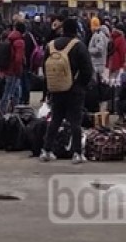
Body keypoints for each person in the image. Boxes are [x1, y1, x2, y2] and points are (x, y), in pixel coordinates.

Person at [40, 18, 94, 163]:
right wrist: (81, 85)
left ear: (62, 29)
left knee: (55, 119)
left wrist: (50, 85)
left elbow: (44, 68)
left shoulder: (51, 45)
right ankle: (77, 153)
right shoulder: (78, 46)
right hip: (74, 89)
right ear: (76, 30)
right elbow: (87, 70)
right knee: (75, 121)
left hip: (56, 88)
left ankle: (46, 150)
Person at [0, 22, 25, 115]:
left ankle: (16, 108)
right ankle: (2, 109)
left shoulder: (9, 38)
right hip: (14, 70)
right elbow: (18, 59)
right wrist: (18, 70)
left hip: (8, 68)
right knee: (9, 91)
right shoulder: (19, 42)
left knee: (16, 90)